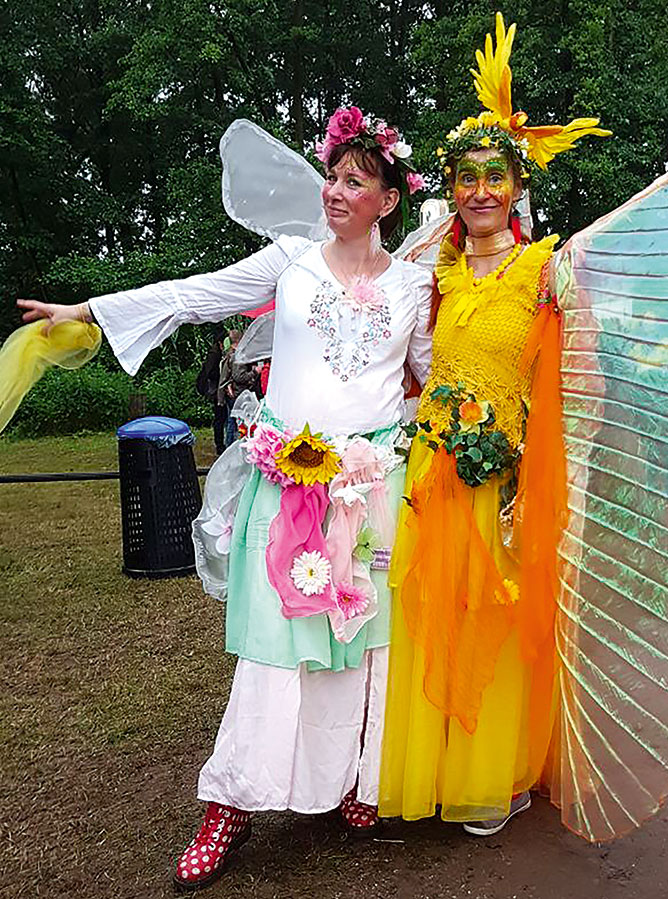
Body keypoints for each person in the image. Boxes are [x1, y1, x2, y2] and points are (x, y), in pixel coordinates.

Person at [378, 13, 668, 844]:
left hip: (506, 471)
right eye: (466, 176)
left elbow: (623, 257)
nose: (480, 190)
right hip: (432, 468)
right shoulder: (436, 270)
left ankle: (493, 772)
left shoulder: (547, 266)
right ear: (451, 186)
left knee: (496, 613)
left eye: (496, 175)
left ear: (518, 187)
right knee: (431, 611)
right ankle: (440, 764)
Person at [18, 106, 431, 890]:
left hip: (374, 490)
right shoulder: (290, 260)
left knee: (362, 645)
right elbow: (193, 294)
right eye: (332, 178)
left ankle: (351, 781)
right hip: (289, 486)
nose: (336, 192)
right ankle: (231, 804)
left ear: (388, 200)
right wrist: (89, 312)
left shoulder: (415, 285)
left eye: (355, 181)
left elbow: (434, 378)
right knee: (275, 646)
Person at [195, 329, 227, 455]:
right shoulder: (214, 355)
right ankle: (219, 444)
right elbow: (210, 373)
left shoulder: (215, 353)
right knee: (220, 418)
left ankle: (220, 443)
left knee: (220, 418)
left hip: (216, 389)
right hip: (216, 390)